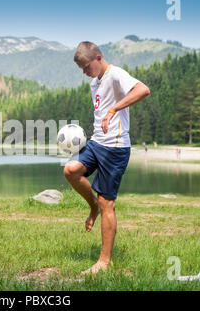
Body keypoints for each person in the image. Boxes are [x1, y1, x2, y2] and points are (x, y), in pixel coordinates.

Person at [63, 41, 150, 275]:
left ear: (98, 57)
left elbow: (143, 89)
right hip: (96, 142)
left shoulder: (115, 74)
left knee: (107, 203)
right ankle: (93, 206)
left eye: (86, 66)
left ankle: (104, 262)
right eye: (81, 69)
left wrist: (114, 110)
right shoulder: (95, 83)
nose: (84, 72)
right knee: (71, 170)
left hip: (115, 148)